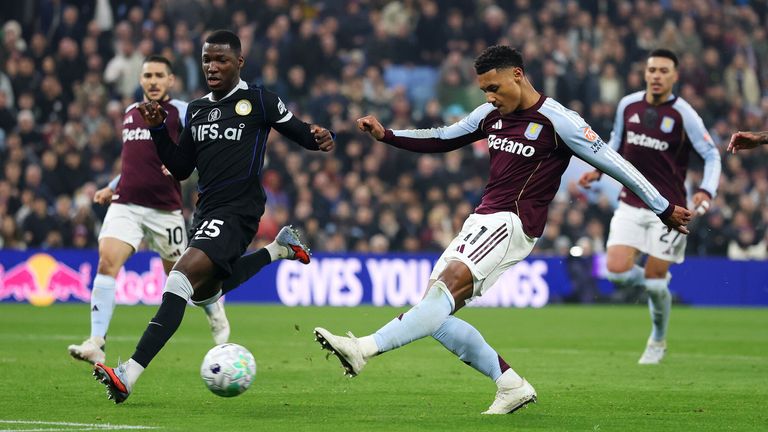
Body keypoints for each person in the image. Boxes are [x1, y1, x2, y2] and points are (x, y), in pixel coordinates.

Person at [313, 45, 691, 415]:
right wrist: (388, 135)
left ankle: (362, 349)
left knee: (442, 294)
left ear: (518, 75)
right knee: (434, 312)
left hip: (513, 223)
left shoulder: (560, 121)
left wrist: (661, 207)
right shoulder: (489, 115)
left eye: (495, 88)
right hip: (481, 220)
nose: (490, 97)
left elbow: (614, 162)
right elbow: (444, 138)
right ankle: (510, 384)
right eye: (484, 91)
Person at [92, 30, 335, 403]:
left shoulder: (259, 101)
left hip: (239, 210)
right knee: (208, 290)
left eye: (221, 59)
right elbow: (181, 168)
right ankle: (279, 249)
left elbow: (301, 133)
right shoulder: (199, 110)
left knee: (179, 279)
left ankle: (129, 373)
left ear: (239, 62)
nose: (212, 67)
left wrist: (320, 136)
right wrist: (158, 130)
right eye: (207, 60)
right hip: (205, 211)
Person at [68, 55, 232, 365]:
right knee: (107, 261)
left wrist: (187, 165)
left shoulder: (183, 111)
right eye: (148, 76)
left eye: (159, 75)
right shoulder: (131, 113)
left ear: (171, 80)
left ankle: (214, 309)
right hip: (126, 203)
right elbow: (135, 160)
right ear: (141, 80)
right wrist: (112, 184)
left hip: (164, 210)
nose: (153, 81)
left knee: (184, 278)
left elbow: (206, 143)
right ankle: (96, 341)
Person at [578, 49, 721, 364]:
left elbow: (711, 154)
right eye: (652, 70)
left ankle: (657, 339)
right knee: (616, 273)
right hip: (630, 202)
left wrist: (706, 190)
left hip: (670, 210)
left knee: (656, 282)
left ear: (675, 76)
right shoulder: (627, 105)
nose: (656, 75)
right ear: (645, 74)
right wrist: (598, 169)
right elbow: (615, 143)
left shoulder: (685, 115)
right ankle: (658, 284)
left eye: (663, 71)